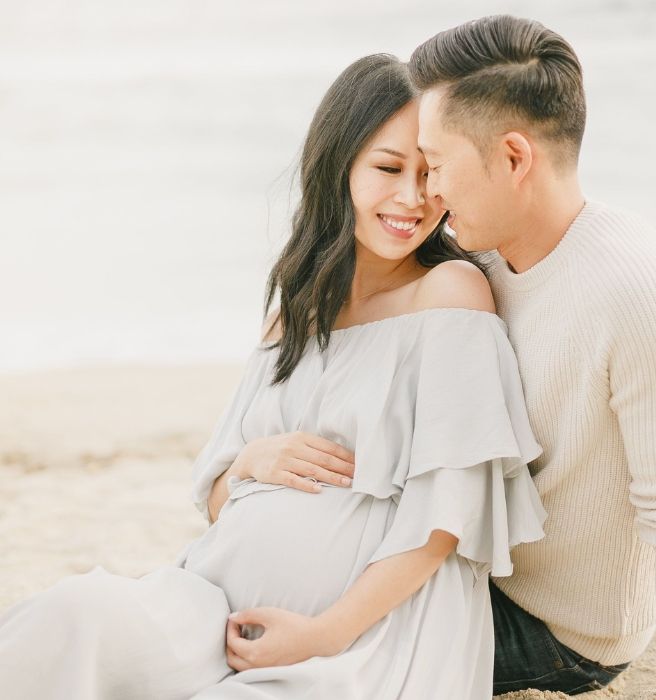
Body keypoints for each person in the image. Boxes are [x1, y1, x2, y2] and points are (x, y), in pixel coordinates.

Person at [0, 54, 548, 699]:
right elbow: (215, 502)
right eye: (388, 168)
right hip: (210, 607)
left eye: (431, 173)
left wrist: (323, 634)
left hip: (370, 637)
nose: (412, 197)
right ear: (336, 164)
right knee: (74, 614)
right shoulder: (295, 312)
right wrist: (253, 460)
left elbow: (447, 522)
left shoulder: (449, 294)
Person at [407, 15, 656, 699]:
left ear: (514, 157)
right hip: (474, 571)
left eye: (436, 165)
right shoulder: (484, 258)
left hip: (558, 632)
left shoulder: (645, 296)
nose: (426, 192)